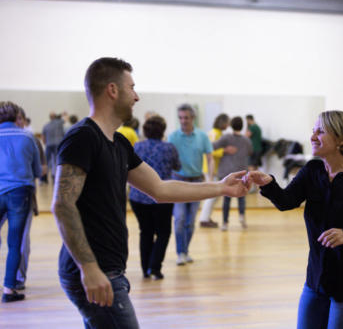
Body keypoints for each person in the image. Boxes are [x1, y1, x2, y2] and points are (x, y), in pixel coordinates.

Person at [52, 57, 248, 328]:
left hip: (109, 269)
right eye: (131, 87)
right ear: (112, 90)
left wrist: (222, 187)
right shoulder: (83, 137)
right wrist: (89, 268)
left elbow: (160, 188)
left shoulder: (118, 142)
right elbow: (63, 205)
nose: (136, 96)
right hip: (95, 270)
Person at [246, 110, 343, 329]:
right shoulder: (312, 171)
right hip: (316, 278)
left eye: (320, 131)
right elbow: (287, 201)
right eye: (313, 131)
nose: (313, 137)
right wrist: (268, 183)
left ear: (342, 139)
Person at [0, 107, 47, 291]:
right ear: (17, 117)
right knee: (16, 241)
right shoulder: (28, 137)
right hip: (21, 192)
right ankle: (10, 288)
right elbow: (37, 171)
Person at [128, 115, 181, 280]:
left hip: (138, 196)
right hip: (162, 196)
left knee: (146, 231)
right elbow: (177, 166)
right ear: (163, 131)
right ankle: (155, 267)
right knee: (163, 232)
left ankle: (145, 269)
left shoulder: (137, 146)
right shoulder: (169, 148)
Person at [168, 104, 214, 265]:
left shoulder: (202, 136)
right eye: (180, 118)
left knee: (190, 221)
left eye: (186, 117)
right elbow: (168, 159)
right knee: (179, 219)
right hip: (178, 181)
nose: (183, 121)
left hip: (197, 181)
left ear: (192, 118)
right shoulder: (173, 137)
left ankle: (185, 250)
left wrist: (210, 178)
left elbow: (210, 157)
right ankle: (180, 252)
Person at [213, 116, 252, 231]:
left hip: (227, 172)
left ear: (230, 125)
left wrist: (224, 150)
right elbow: (250, 152)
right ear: (242, 126)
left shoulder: (226, 138)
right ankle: (241, 216)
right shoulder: (247, 140)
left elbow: (213, 146)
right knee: (241, 196)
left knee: (227, 199)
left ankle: (225, 223)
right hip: (242, 171)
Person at [199, 113, 237, 228]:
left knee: (214, 195)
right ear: (222, 123)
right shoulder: (215, 134)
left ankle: (206, 217)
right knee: (212, 195)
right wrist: (225, 151)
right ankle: (204, 219)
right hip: (211, 169)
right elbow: (211, 151)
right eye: (227, 123)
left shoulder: (217, 133)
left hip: (214, 168)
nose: (228, 125)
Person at [42, 111, 65, 181]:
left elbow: (43, 138)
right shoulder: (60, 123)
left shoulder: (46, 126)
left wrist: (46, 143)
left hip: (49, 144)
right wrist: (62, 114)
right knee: (57, 160)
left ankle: (44, 178)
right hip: (58, 144)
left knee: (46, 161)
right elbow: (65, 119)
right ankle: (56, 176)